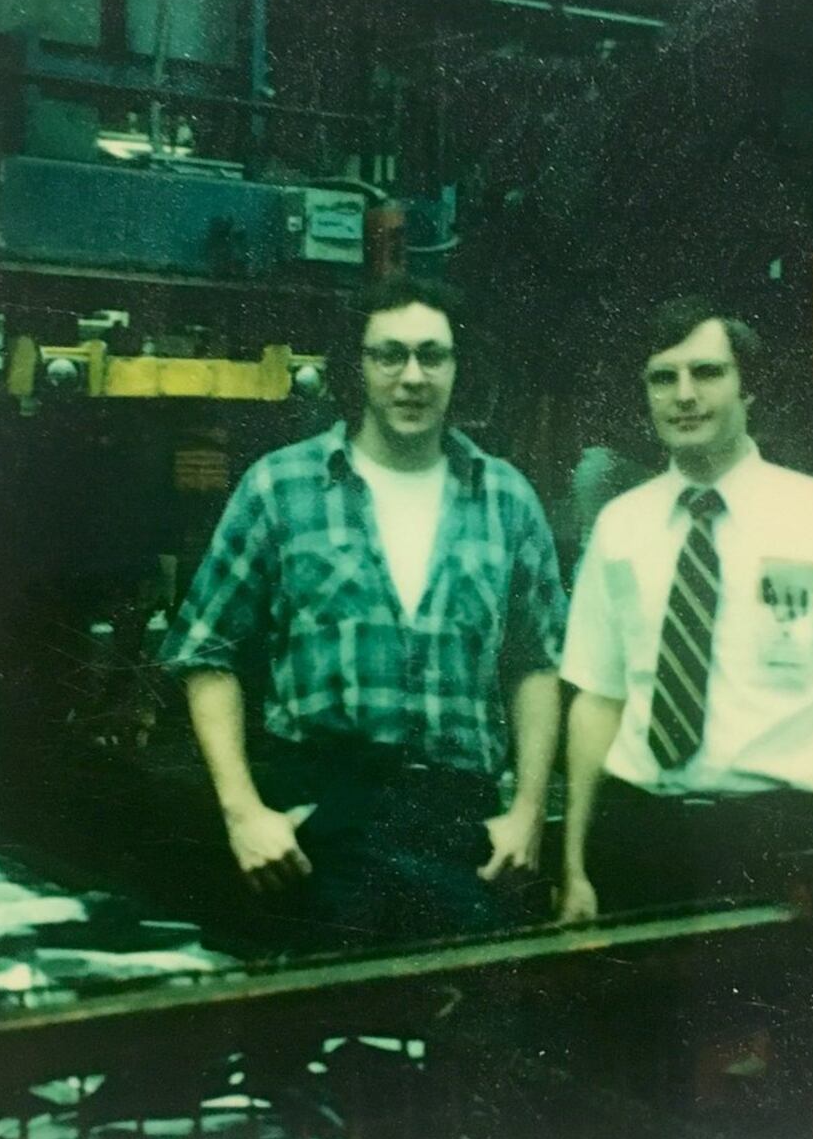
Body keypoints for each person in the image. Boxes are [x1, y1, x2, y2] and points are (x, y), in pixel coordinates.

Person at [161, 275, 566, 949]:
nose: (413, 376)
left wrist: (525, 811)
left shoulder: (506, 497)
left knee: (460, 1044)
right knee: (309, 1040)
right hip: (315, 824)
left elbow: (539, 663)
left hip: (460, 832)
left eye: (433, 355)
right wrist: (243, 814)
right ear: (358, 366)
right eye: (390, 355)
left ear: (459, 367)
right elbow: (205, 650)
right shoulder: (281, 485)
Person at [559, 297, 813, 940]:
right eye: (663, 378)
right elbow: (596, 700)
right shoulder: (620, 527)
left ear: (749, 388)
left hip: (773, 839)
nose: (685, 395)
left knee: (774, 1034)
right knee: (631, 1038)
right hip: (638, 836)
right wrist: (576, 865)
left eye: (707, 373)